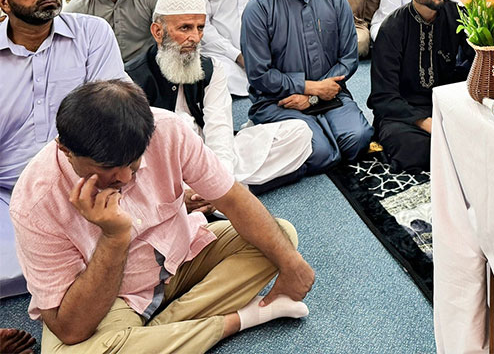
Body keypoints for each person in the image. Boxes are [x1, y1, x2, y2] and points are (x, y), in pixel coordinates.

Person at [10, 79, 314, 350]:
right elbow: (71, 329)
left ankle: (151, 339)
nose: (127, 178)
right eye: (108, 169)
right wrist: (114, 238)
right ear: (65, 150)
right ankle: (239, 320)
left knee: (281, 236)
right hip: (114, 299)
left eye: (133, 163)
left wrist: (293, 265)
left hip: (183, 255)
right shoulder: (35, 202)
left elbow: (232, 198)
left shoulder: (166, 129)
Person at [0, 0, 126, 300]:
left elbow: (113, 112)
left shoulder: (91, 33)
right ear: (3, 2)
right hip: (8, 193)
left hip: (86, 182)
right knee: (14, 266)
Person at [127, 0, 314, 191]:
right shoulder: (131, 79)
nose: (195, 38)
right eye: (185, 28)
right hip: (169, 164)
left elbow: (219, 127)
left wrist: (220, 181)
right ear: (158, 32)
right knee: (180, 123)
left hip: (211, 154)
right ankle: (229, 192)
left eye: (200, 28)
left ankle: (212, 194)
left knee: (298, 132)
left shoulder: (211, 67)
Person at [240, 0, 373, 184]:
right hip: (278, 100)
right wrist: (308, 88)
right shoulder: (258, 9)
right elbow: (259, 74)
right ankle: (262, 132)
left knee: (358, 139)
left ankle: (312, 132)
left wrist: (314, 95)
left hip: (331, 91)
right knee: (321, 153)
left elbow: (348, 58)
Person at [369, 0, 472, 172]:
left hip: (444, 103)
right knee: (411, 147)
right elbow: (383, 96)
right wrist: (427, 123)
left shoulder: (456, 14)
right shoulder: (392, 28)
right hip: (403, 113)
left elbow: (478, 56)